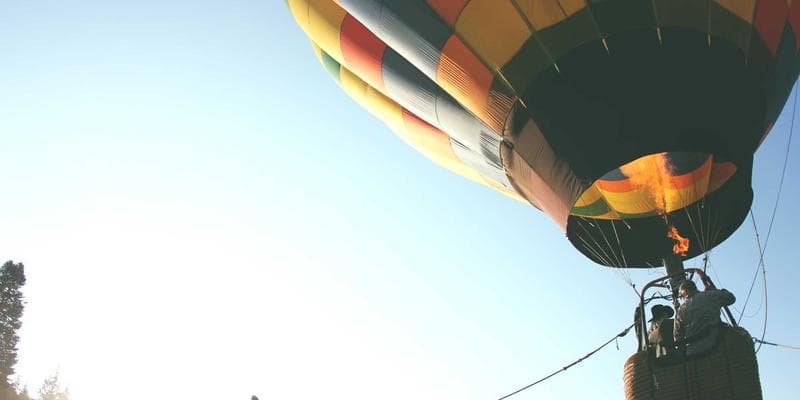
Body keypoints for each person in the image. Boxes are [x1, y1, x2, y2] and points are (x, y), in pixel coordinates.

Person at [673, 280, 736, 356]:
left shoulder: (680, 311)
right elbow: (731, 298)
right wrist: (714, 291)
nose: (682, 299)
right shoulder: (710, 295)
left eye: (681, 296)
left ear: (686, 292)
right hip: (717, 346)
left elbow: (678, 338)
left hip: (693, 352)